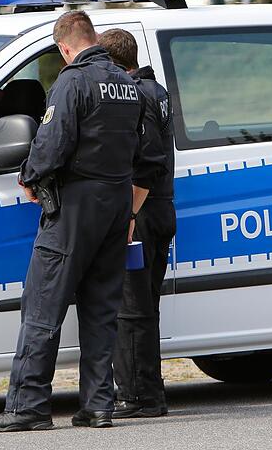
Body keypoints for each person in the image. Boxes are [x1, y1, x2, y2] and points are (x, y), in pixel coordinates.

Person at [0, 10, 143, 433]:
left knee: (42, 305)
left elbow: (51, 144)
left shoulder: (72, 82)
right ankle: (97, 406)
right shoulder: (129, 86)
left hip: (73, 207)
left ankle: (29, 406)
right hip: (115, 204)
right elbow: (141, 154)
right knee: (101, 309)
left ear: (64, 48)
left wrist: (29, 176)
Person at [98, 28, 176, 419]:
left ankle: (137, 396)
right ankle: (149, 393)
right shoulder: (156, 90)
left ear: (113, 64)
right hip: (158, 209)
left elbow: (147, 160)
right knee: (144, 307)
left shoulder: (138, 95)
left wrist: (128, 214)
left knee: (131, 309)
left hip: (141, 214)